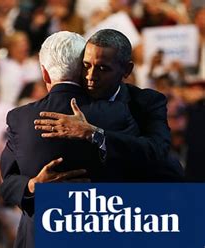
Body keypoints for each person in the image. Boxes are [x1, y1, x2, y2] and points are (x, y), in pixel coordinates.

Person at [0, 31, 140, 247]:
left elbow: (8, 184)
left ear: (45, 74)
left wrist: (32, 185)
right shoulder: (116, 113)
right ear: (84, 69)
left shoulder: (20, 118)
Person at [33, 29, 184, 181]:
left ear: (127, 70)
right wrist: (32, 185)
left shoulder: (148, 101)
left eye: (102, 68)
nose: (90, 76)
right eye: (86, 66)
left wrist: (94, 134)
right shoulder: (69, 100)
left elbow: (157, 150)